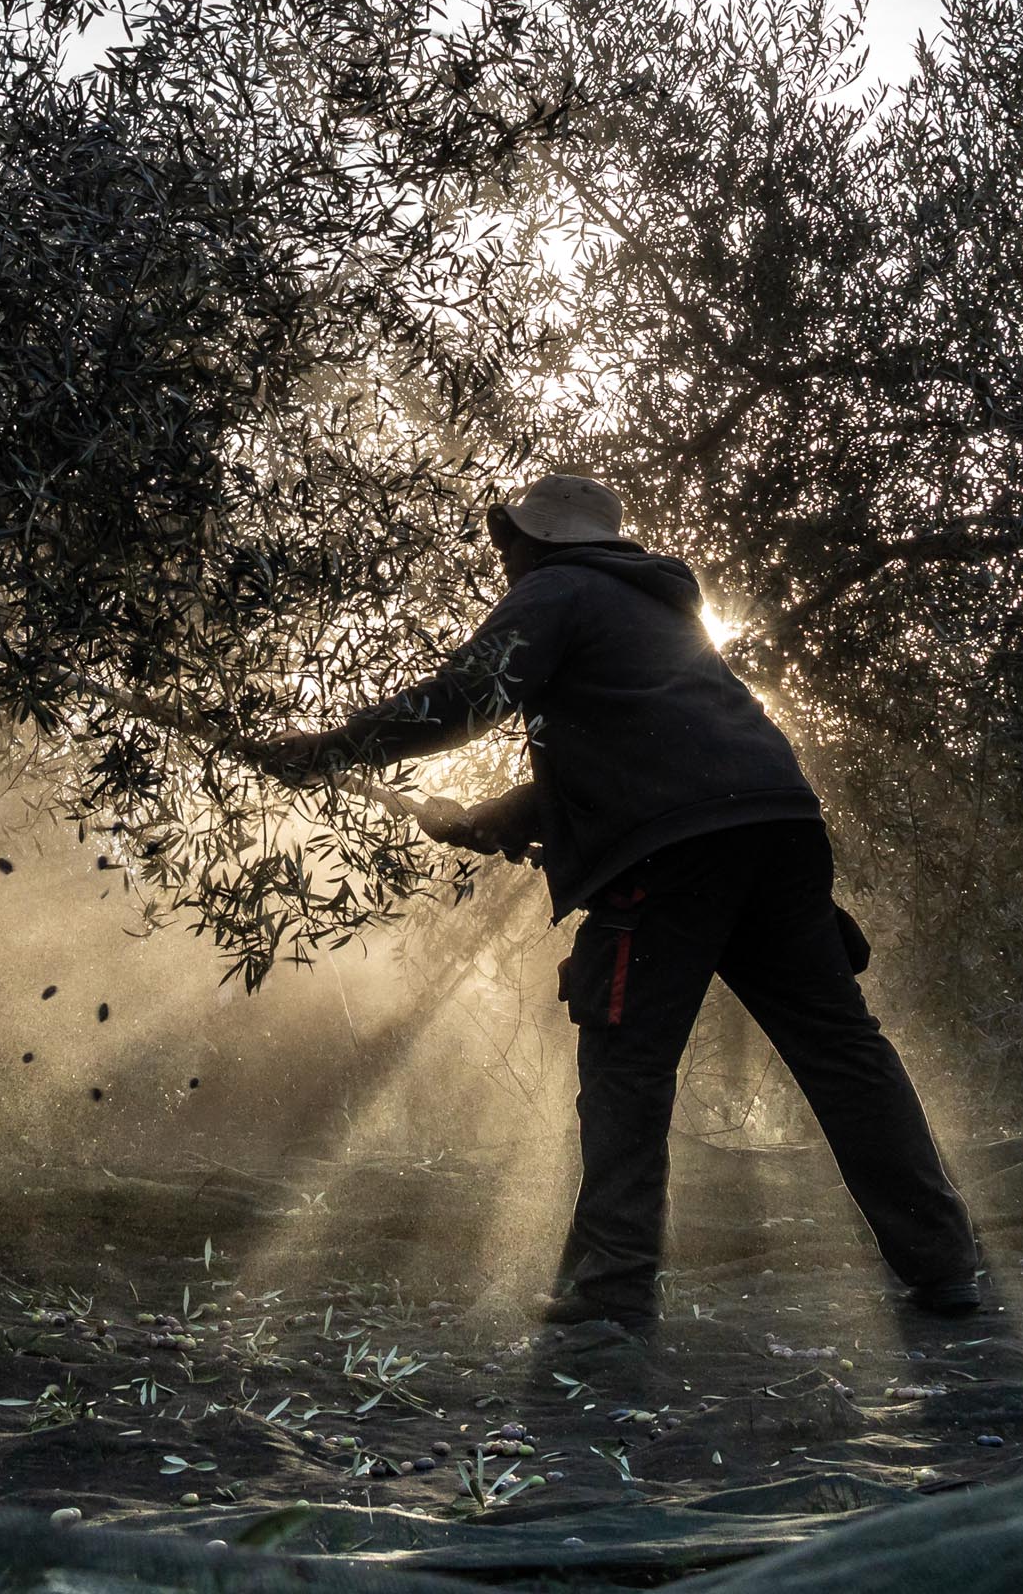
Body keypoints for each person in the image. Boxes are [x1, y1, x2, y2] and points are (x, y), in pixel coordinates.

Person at [263, 473, 980, 1334]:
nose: (503, 558)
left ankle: (611, 1291)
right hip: (777, 829)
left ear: (537, 543)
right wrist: (499, 819)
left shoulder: (556, 590)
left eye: (508, 542)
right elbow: (650, 746)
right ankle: (944, 1267)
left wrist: (331, 751)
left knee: (627, 1068)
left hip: (674, 856)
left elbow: (467, 699)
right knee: (844, 1056)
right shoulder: (663, 613)